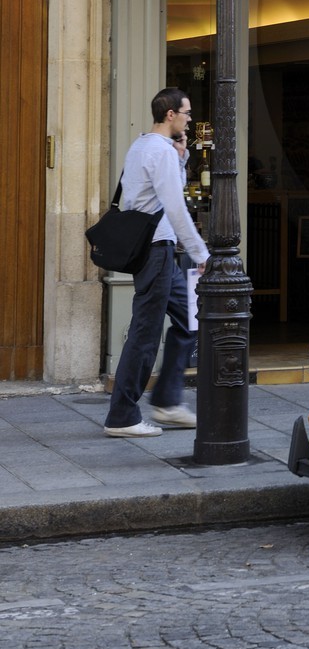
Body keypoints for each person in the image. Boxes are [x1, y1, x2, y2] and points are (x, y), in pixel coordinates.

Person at [103, 87, 209, 437]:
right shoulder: (158, 152)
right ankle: (122, 416)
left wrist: (181, 159)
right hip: (157, 250)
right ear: (170, 115)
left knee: (188, 320)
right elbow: (175, 207)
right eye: (187, 113)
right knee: (145, 333)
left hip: (158, 248)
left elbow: (154, 196)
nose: (190, 120)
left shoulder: (143, 146)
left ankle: (166, 402)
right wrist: (200, 253)